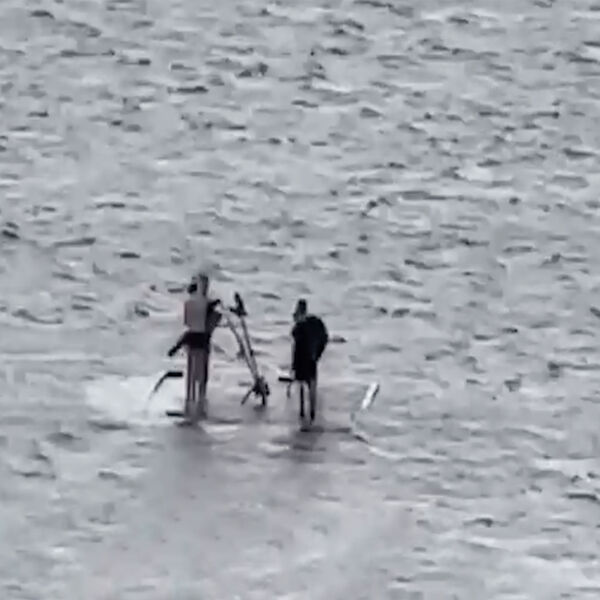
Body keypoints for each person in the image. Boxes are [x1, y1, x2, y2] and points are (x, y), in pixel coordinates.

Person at [168, 272, 221, 421]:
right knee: (200, 373)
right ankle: (198, 403)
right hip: (201, 339)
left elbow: (188, 323)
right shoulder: (206, 305)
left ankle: (191, 402)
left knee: (193, 372)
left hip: (194, 339)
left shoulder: (191, 304)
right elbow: (212, 320)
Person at [290, 298, 328, 422]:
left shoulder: (302, 327)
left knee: (306, 386)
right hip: (309, 358)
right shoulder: (314, 324)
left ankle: (307, 413)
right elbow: (324, 338)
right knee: (309, 386)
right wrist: (317, 353)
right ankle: (309, 414)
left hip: (306, 359)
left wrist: (293, 365)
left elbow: (296, 346)